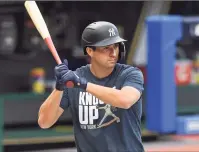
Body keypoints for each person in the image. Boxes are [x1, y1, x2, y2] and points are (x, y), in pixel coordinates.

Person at [38, 21, 145, 152]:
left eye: (116, 46)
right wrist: (59, 88)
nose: (113, 53)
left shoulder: (130, 74)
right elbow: (44, 122)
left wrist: (82, 84)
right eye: (106, 48)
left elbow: (125, 100)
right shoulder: (75, 78)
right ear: (90, 51)